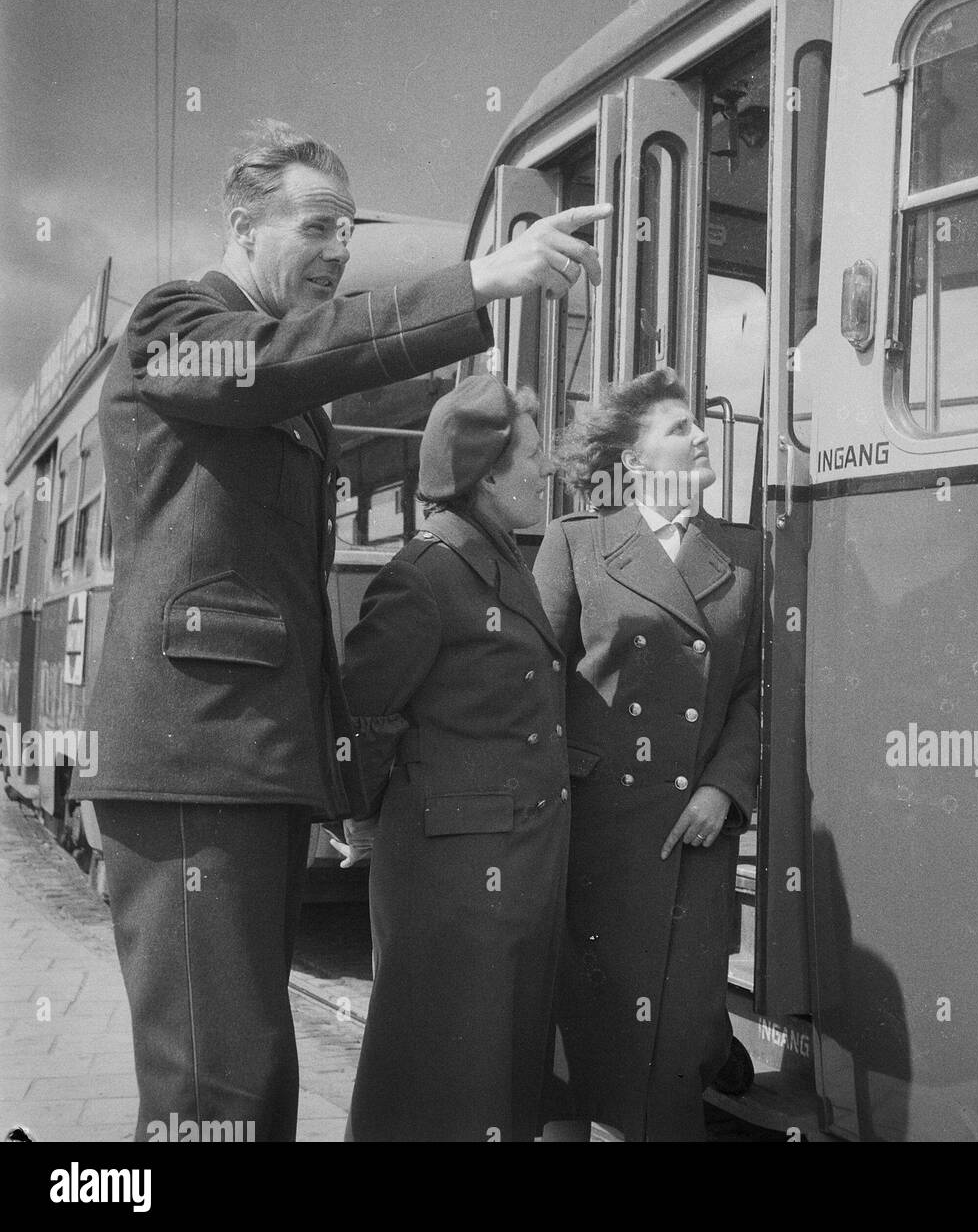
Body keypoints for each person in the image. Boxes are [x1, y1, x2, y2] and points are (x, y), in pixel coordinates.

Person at [76, 120, 609, 1142]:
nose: (337, 251)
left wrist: (337, 776)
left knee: (252, 1074)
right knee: (217, 1089)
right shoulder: (176, 322)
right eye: (318, 226)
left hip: (251, 764)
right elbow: (278, 363)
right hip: (197, 759)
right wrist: (479, 281)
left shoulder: (285, 389)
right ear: (240, 223)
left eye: (348, 234)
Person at [533, 367, 762, 1142]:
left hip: (691, 836)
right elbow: (535, 683)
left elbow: (756, 695)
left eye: (700, 425)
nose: (701, 435)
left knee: (673, 1043)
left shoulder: (745, 554)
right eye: (677, 428)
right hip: (593, 834)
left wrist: (724, 788)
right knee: (575, 1046)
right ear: (633, 461)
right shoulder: (577, 543)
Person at [339, 375, 569, 1142]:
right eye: (533, 457)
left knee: (483, 1091)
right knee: (443, 1088)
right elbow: (361, 707)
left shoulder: (492, 557)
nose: (548, 471)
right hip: (453, 886)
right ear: (488, 474)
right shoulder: (428, 571)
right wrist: (365, 817)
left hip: (497, 879)